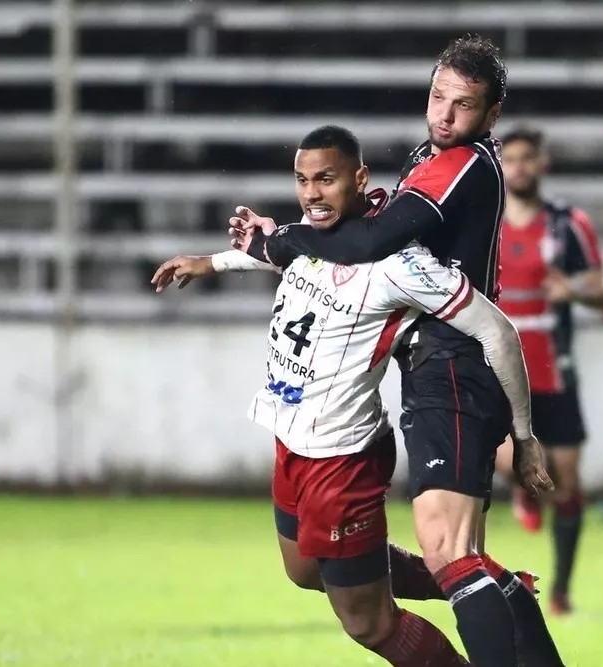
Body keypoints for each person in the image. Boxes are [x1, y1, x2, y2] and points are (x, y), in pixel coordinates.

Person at [152, 125, 551, 667]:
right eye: (302, 180)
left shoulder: (399, 263)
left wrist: (523, 435)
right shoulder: (316, 235)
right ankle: (492, 586)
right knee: (302, 569)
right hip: (291, 440)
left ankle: (476, 590)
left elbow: (497, 331)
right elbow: (285, 249)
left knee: (369, 623)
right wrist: (211, 262)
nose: (312, 193)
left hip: (341, 457)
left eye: (326, 179)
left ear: (359, 178)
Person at [231, 36, 566, 667]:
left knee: (451, 553)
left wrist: (283, 242)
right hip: (431, 363)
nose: (444, 114)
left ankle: (496, 600)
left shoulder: (460, 162)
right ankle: (510, 598)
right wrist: (271, 245)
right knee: (393, 561)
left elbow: (373, 240)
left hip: (455, 362)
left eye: (463, 105)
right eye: (438, 96)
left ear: (490, 117)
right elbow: (367, 234)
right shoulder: (437, 157)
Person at [487, 126, 603, 615]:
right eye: (511, 159)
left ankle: (561, 591)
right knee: (508, 460)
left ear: (543, 164)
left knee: (567, 481)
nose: (519, 167)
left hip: (554, 370)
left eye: (527, 158)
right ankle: (523, 491)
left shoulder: (568, 224)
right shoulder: (489, 224)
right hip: (500, 369)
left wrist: (576, 292)